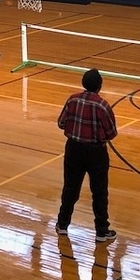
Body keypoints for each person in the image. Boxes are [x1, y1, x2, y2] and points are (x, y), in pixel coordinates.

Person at [55, 67, 117, 242]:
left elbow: (61, 123)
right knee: (99, 192)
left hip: (73, 149)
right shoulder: (103, 105)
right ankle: (101, 230)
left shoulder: (72, 100)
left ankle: (62, 224)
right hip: (96, 152)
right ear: (99, 86)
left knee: (70, 188)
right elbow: (112, 132)